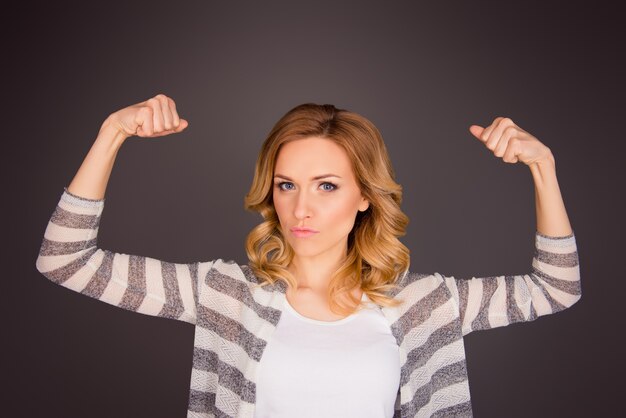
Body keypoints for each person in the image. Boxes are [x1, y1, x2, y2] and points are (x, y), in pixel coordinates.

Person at [36, 94, 581, 418]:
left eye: (326, 186)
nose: (301, 208)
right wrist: (112, 134)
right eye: (286, 184)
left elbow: (556, 288)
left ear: (364, 196)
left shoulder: (422, 305)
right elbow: (65, 259)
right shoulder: (227, 296)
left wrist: (545, 168)